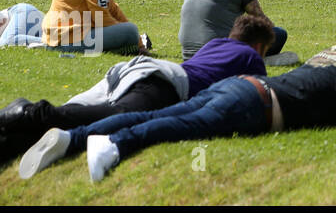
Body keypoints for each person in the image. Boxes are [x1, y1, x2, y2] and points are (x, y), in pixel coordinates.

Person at [21, 21, 336, 183]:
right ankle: (115, 145)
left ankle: (75, 137)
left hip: (238, 86)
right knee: (183, 126)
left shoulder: (323, 55)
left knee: (171, 114)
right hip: (256, 102)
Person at [0, 15, 275, 164]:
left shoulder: (215, 45)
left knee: (86, 109)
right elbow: (256, 91)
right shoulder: (250, 57)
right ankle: (31, 112)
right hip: (165, 81)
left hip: (137, 69)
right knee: (115, 116)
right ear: (259, 46)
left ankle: (10, 143)